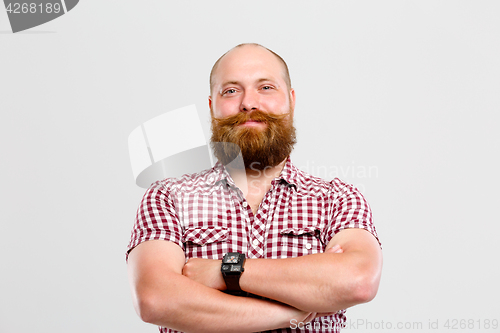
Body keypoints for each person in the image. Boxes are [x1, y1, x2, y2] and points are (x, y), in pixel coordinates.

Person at [126, 43, 382, 333]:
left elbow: (358, 281)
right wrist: (291, 312)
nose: (249, 103)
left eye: (266, 88)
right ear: (212, 107)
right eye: (231, 91)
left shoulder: (337, 199)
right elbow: (155, 299)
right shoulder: (169, 197)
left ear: (291, 100)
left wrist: (225, 269)